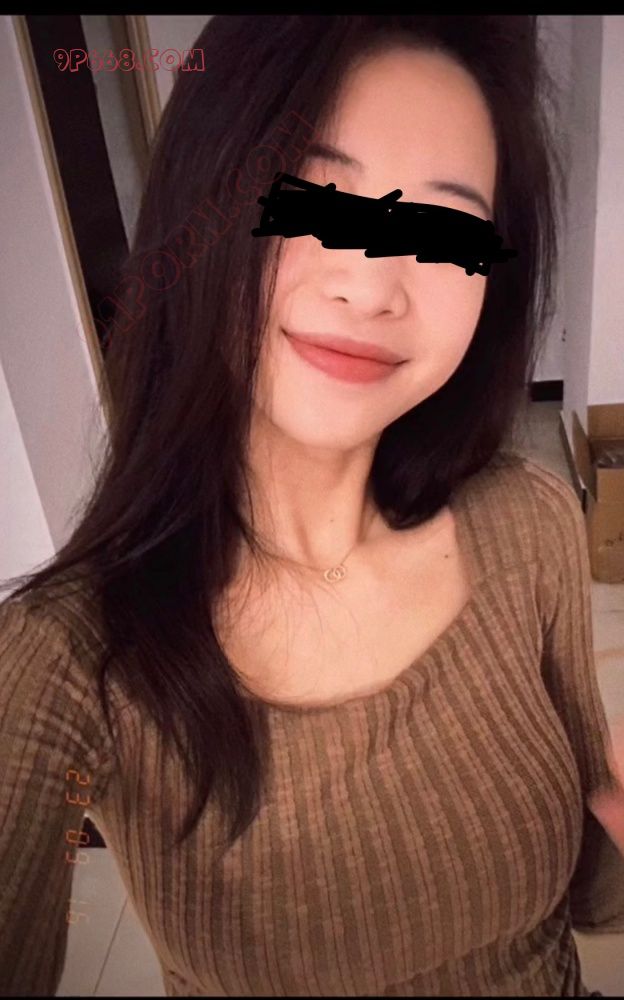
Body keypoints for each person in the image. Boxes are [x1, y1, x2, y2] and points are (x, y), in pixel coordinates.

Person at [1, 14, 623, 997]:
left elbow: (594, 887)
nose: (372, 286)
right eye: (311, 196)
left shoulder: (530, 524)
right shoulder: (71, 659)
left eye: (445, 229)